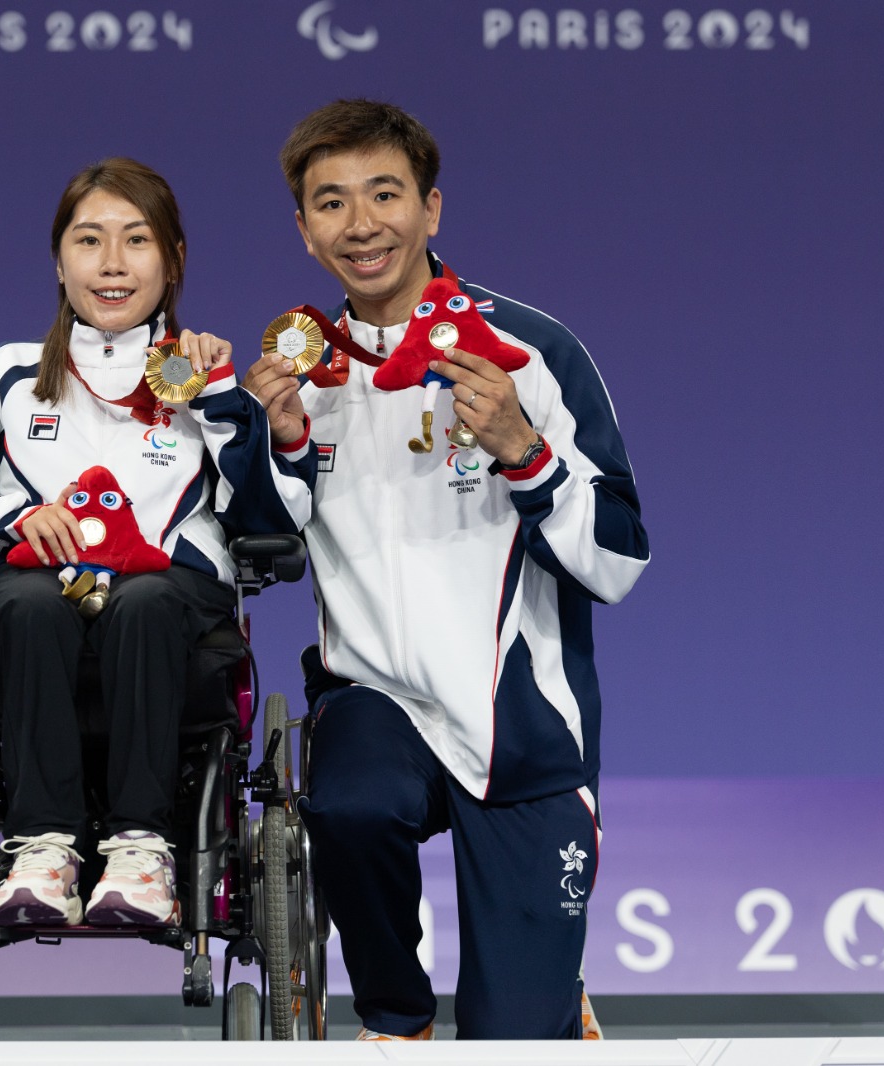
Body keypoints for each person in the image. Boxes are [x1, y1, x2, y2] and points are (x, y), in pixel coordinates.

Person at [243, 100, 648, 1039]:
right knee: (345, 806)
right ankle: (394, 1011)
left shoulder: (530, 354)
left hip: (523, 729)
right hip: (375, 699)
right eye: (332, 204)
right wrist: (289, 443)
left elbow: (621, 562)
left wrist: (522, 450)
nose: (362, 224)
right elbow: (259, 549)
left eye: (385, 194)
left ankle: (547, 996)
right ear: (305, 233)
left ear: (432, 208)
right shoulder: (294, 373)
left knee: (518, 1041)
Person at [0, 158, 312, 929]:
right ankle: (41, 850)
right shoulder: (9, 376)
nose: (112, 264)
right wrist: (11, 524)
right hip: (31, 603)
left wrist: (225, 402)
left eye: (136, 240)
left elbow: (270, 518)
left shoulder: (205, 379)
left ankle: (143, 852)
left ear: (175, 258)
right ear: (60, 261)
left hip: (171, 613)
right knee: (26, 603)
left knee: (146, 601)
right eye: (89, 241)